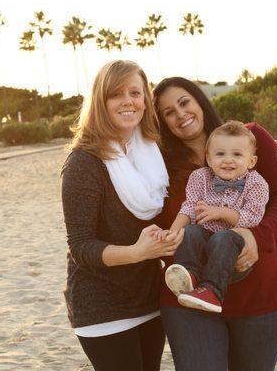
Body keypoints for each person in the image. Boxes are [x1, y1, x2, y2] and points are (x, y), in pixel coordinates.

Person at [153, 77, 277, 371]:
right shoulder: (158, 164)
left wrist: (256, 238)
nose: (180, 114)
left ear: (200, 101)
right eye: (168, 112)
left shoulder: (251, 139)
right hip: (186, 302)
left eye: (184, 102)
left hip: (260, 297)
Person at [61, 60, 184, 371]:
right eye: (117, 94)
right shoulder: (84, 161)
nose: (128, 101)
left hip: (148, 298)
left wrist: (269, 154)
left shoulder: (153, 152)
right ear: (101, 102)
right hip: (101, 306)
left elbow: (211, 155)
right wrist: (136, 253)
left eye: (136, 92)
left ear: (146, 99)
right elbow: (81, 246)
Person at [162, 120, 269, 314]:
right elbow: (189, 207)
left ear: (251, 161)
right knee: (191, 231)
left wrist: (220, 212)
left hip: (231, 256)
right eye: (220, 154)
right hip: (203, 247)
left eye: (237, 154)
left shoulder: (257, 183)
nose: (228, 160)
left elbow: (253, 217)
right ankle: (189, 276)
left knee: (224, 237)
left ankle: (212, 291)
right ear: (209, 159)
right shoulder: (199, 177)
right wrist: (173, 231)